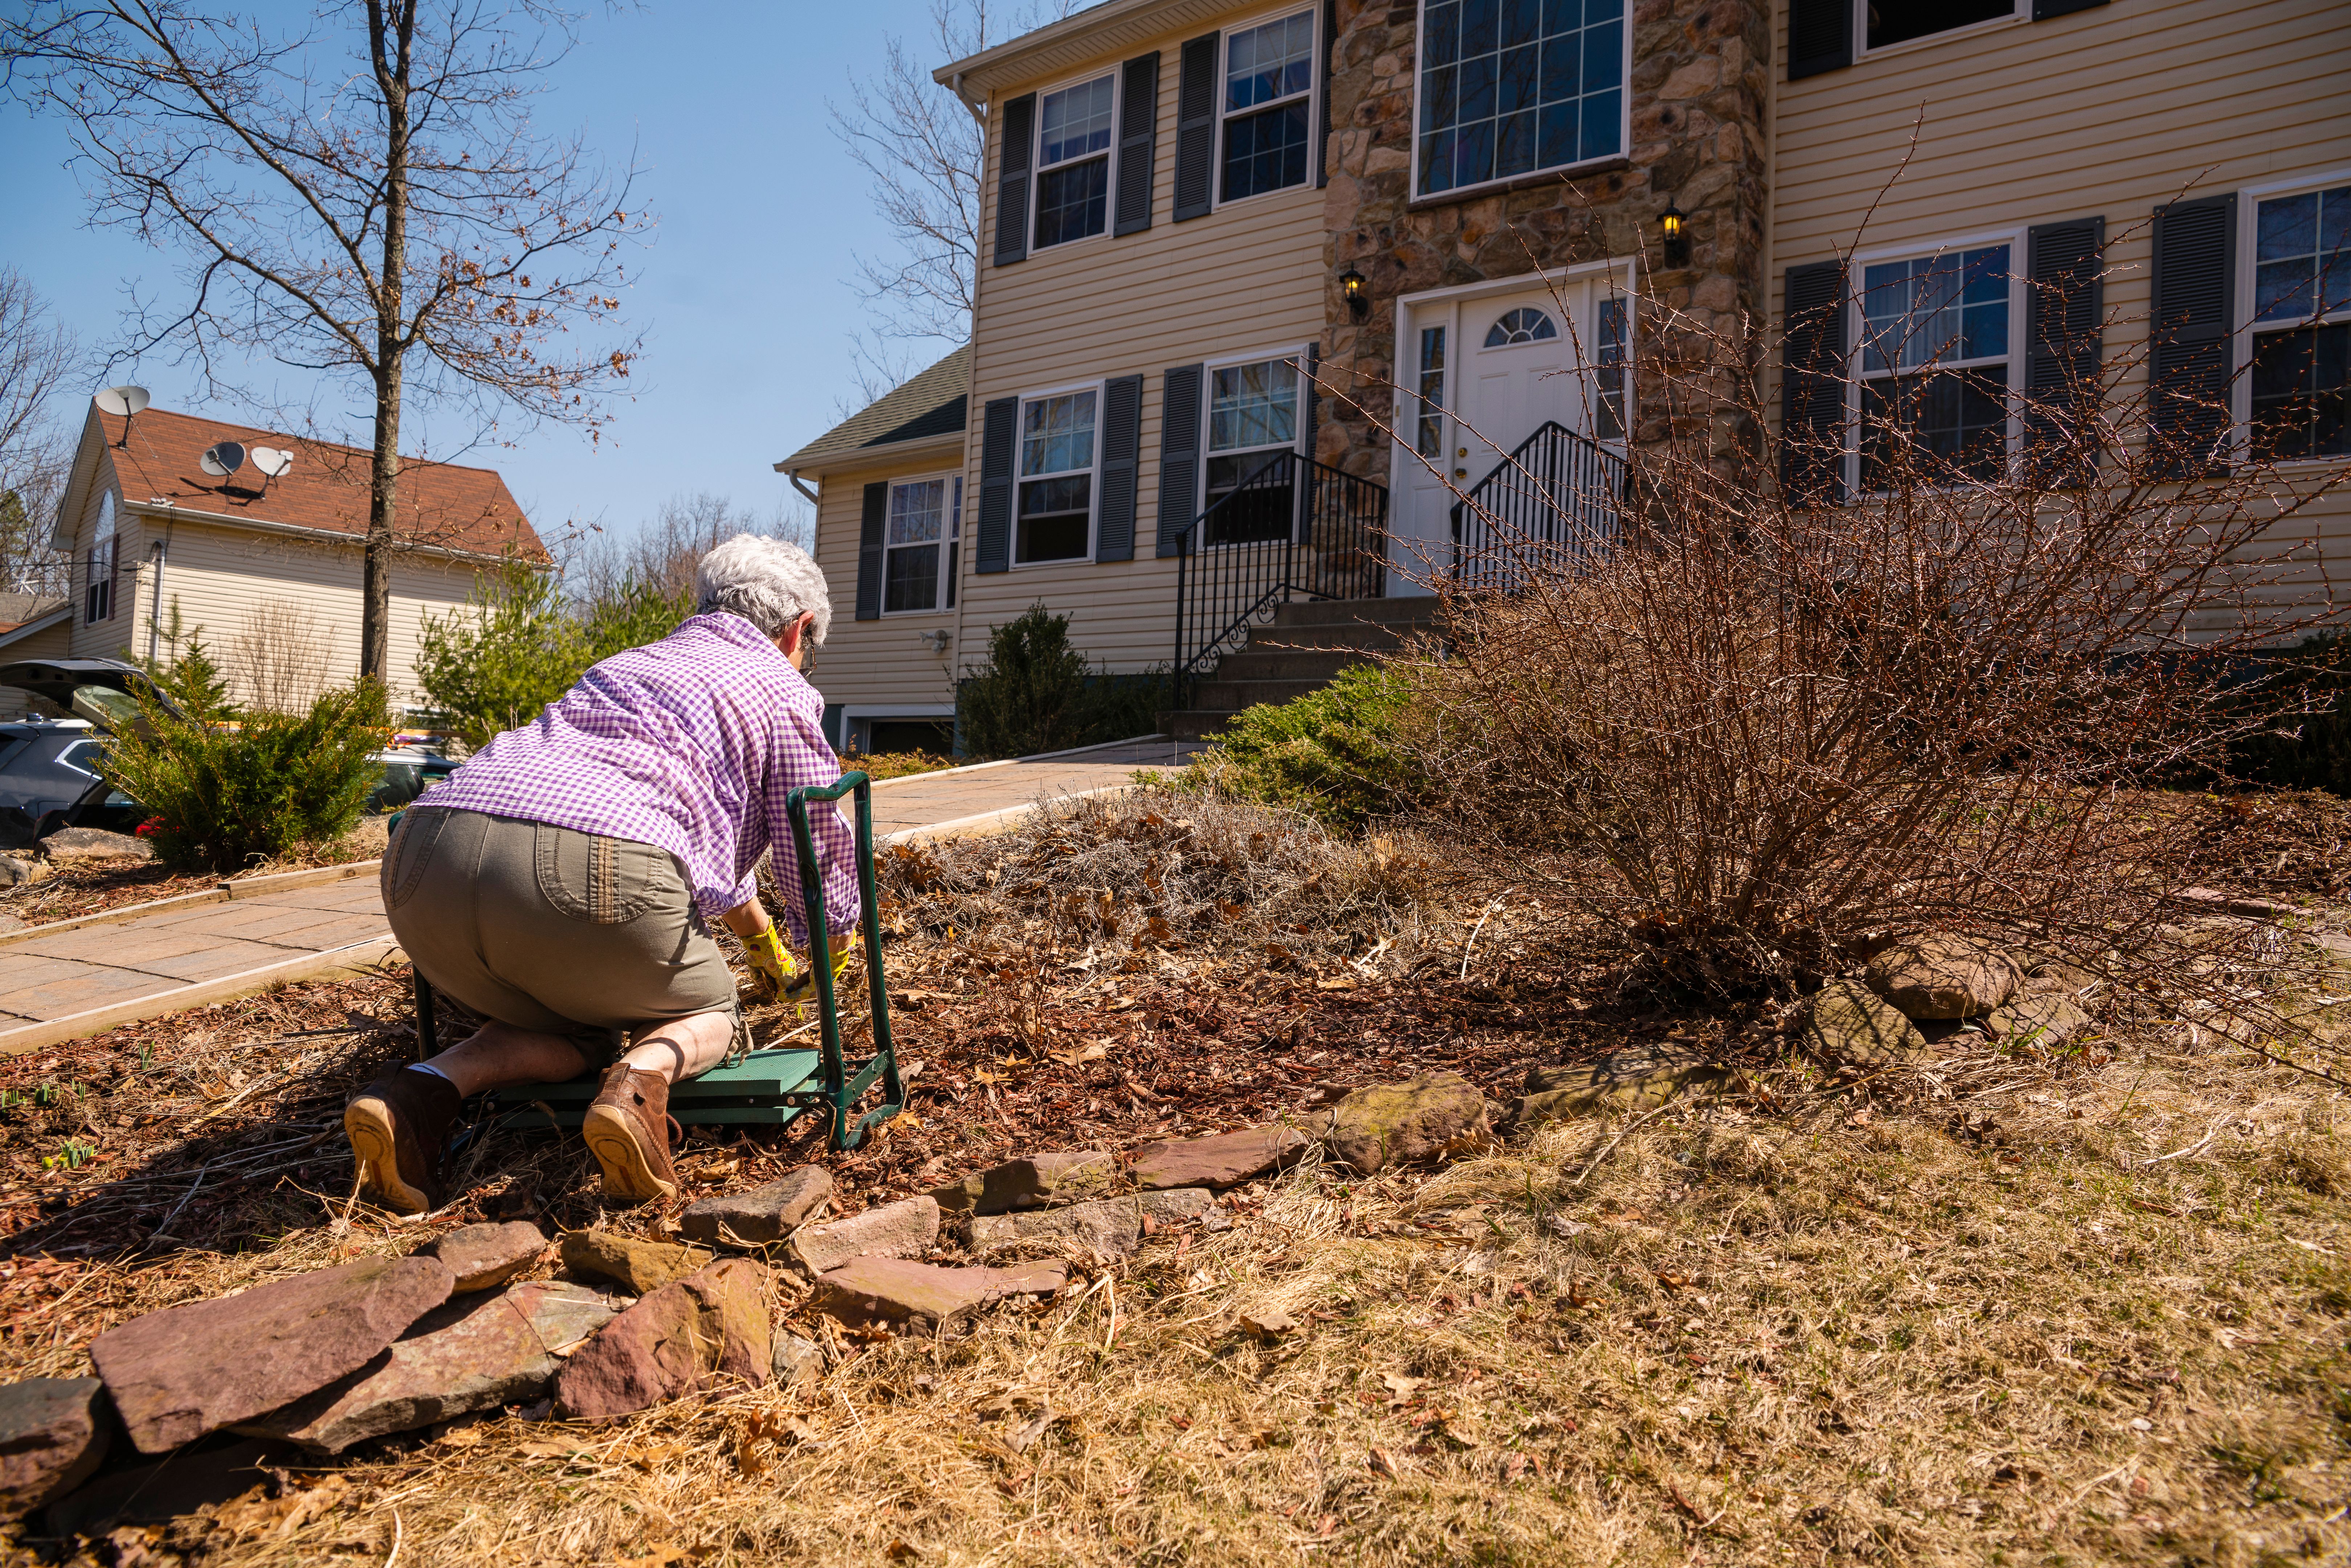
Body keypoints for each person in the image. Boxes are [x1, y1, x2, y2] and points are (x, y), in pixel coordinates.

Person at [345, 534, 858, 1213]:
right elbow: (811, 830)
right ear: (799, 630)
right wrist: (834, 939)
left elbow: (688, 839)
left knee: (570, 1028)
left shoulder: (630, 666)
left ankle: (417, 1092)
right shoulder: (777, 686)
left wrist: (764, 942)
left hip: (424, 862)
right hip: (587, 869)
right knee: (712, 1014)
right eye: (811, 647)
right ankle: (638, 1090)